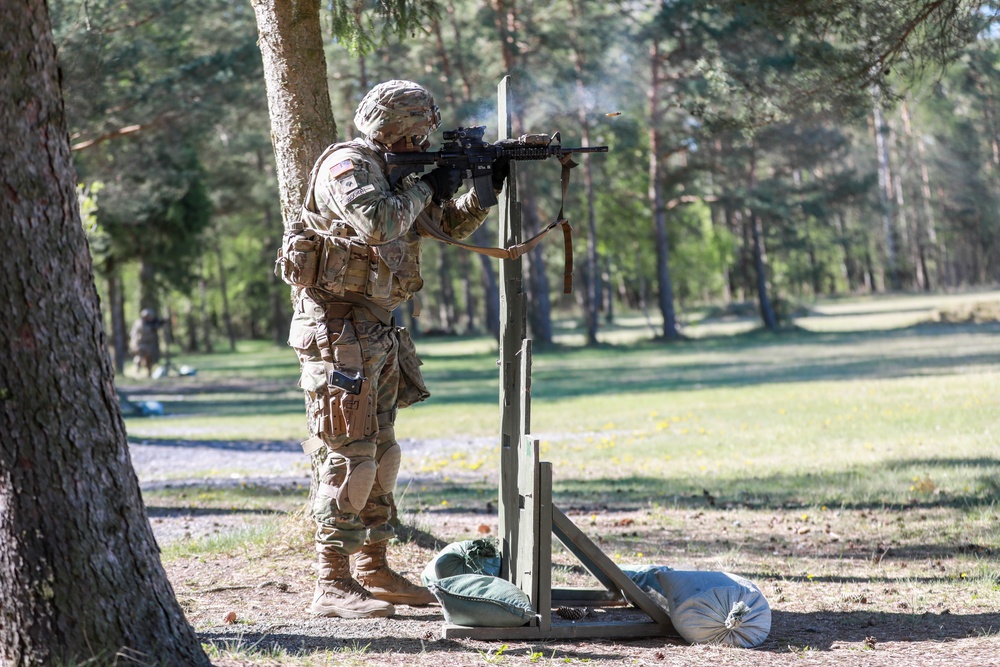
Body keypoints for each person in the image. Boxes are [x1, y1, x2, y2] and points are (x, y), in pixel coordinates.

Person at [282, 80, 509, 619]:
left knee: (383, 456)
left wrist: (479, 186)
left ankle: (372, 568)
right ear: (394, 128)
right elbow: (379, 222)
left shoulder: (394, 175)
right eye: (416, 133)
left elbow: (441, 225)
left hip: (377, 333)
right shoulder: (348, 165)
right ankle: (330, 582)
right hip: (338, 337)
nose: (422, 141)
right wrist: (428, 186)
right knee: (349, 458)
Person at [129, 308, 161, 377]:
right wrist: (133, 343)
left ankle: (149, 373)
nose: (149, 317)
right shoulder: (139, 323)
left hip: (149, 344)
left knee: (150, 359)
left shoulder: (151, 323)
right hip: (140, 343)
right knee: (138, 358)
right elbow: (135, 333)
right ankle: (136, 372)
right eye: (147, 316)